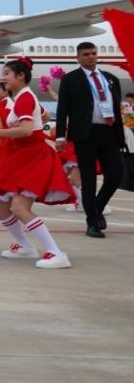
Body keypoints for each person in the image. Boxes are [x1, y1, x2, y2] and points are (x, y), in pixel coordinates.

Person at [0, 58, 72, 268]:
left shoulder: (24, 97)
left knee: (19, 207)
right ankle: (25, 246)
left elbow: (27, 130)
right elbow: (43, 118)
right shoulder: (24, 97)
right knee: (0, 205)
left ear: (21, 76)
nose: (3, 79)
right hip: (20, 156)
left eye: (7, 74)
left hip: (32, 157)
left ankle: (56, 252)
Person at [54, 41, 125, 238]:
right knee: (89, 179)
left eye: (93, 53)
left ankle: (96, 207)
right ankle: (92, 223)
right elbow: (62, 110)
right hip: (85, 135)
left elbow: (116, 108)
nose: (91, 57)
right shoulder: (70, 79)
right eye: (86, 54)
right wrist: (60, 135)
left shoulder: (110, 79)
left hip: (109, 133)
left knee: (115, 175)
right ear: (78, 57)